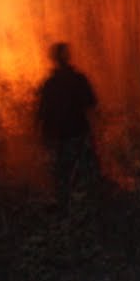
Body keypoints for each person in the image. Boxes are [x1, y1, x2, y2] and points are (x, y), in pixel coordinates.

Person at [36, 41, 102, 202]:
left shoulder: (49, 84)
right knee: (86, 174)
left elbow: (42, 114)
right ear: (68, 57)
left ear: (53, 59)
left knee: (62, 177)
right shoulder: (78, 79)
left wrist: (44, 137)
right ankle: (90, 208)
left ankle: (66, 209)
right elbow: (92, 103)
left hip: (60, 138)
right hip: (79, 134)